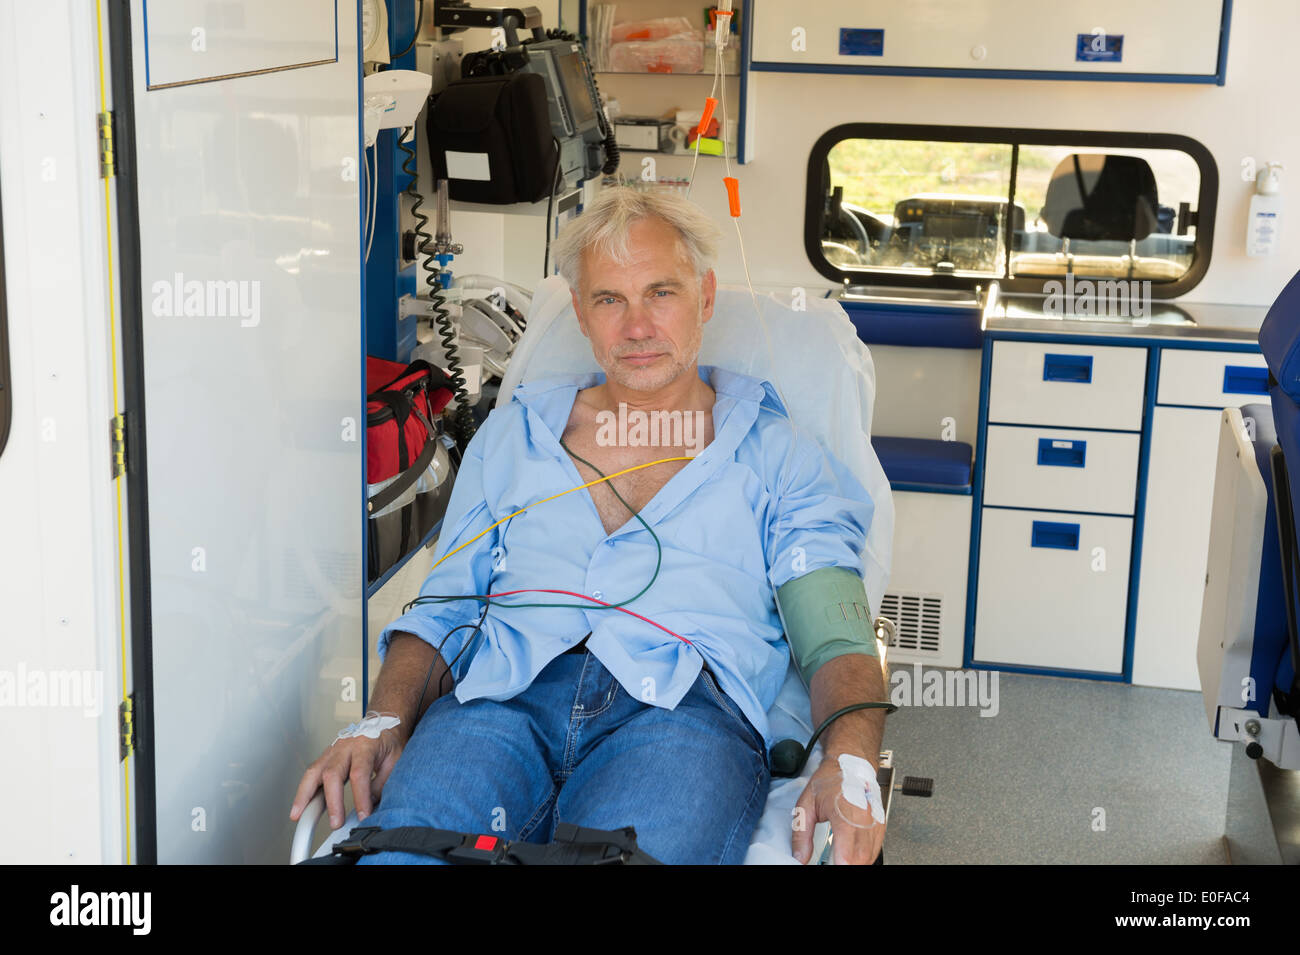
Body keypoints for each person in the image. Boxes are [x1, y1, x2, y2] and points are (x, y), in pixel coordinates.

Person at [290, 187, 888, 864]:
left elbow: (836, 639)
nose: (636, 327)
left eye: (661, 292)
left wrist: (852, 761)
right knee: (402, 855)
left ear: (706, 298)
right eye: (610, 299)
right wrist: (382, 721)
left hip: (681, 721)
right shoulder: (513, 437)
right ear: (579, 311)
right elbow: (441, 609)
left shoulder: (780, 457)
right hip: (495, 707)